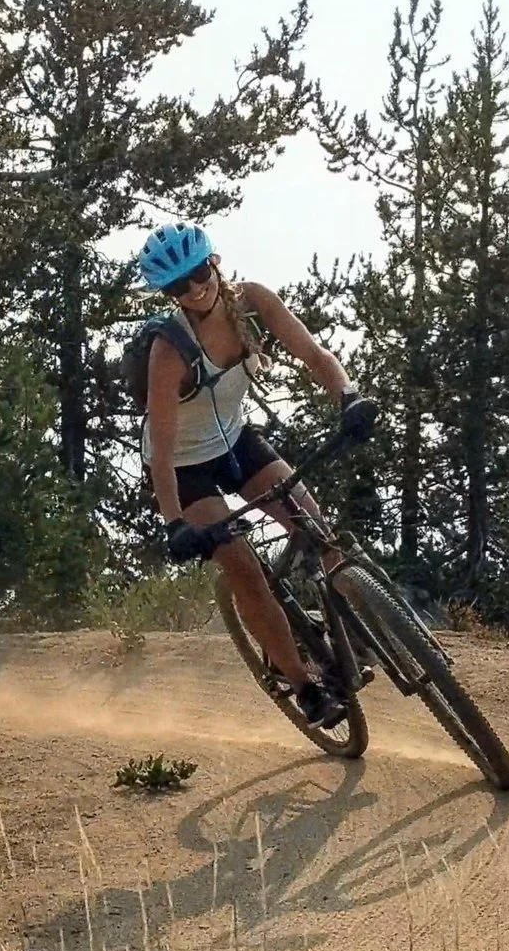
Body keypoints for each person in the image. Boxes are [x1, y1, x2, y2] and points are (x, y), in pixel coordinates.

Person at [138, 222, 377, 729]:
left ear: (214, 262)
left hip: (235, 441)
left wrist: (348, 397)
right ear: (168, 294)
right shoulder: (169, 351)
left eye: (198, 273)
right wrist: (174, 522)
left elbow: (316, 355)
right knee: (242, 565)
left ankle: (363, 633)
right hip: (183, 467)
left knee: (319, 529)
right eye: (177, 286)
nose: (193, 289)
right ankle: (305, 687)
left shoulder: (252, 302)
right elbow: (160, 451)